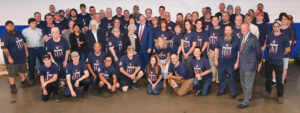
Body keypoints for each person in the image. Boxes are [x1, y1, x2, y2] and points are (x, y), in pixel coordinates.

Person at [263, 20, 290, 104]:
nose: (275, 27)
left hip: (278, 62)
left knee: (279, 80)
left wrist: (280, 55)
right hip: (269, 60)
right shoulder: (270, 36)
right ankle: (268, 90)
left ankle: (280, 96)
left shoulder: (284, 37)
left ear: (280, 27)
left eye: (277, 26)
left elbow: (288, 49)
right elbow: (268, 45)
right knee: (268, 78)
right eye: (274, 26)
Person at [237, 23, 262, 109]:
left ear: (249, 28)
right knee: (243, 82)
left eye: (245, 28)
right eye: (242, 28)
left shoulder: (253, 38)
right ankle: (246, 97)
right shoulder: (241, 37)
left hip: (250, 65)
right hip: (242, 64)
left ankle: (245, 102)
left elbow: (259, 52)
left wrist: (257, 62)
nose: (243, 30)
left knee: (248, 84)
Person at [1, 20, 30, 94]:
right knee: (12, 73)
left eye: (11, 24)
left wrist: (26, 51)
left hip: (21, 57)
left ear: (14, 25)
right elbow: (4, 48)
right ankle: (12, 86)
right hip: (12, 59)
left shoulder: (19, 33)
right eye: (8, 25)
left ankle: (24, 82)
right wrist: (9, 58)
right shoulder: (5, 37)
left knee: (22, 70)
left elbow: (24, 42)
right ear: (6, 27)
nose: (10, 26)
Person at [215, 25, 240, 99]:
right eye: (226, 30)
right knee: (221, 78)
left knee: (232, 79)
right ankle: (221, 91)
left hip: (232, 64)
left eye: (229, 30)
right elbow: (216, 49)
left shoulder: (236, 40)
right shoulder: (220, 39)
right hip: (221, 63)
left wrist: (237, 62)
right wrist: (216, 59)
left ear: (232, 31)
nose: (227, 32)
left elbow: (239, 52)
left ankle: (233, 92)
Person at [22, 18, 46, 85]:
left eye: (35, 23)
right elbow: (23, 42)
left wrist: (43, 48)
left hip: (40, 49)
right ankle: (31, 79)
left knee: (43, 63)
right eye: (32, 23)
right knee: (31, 65)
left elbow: (43, 40)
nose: (34, 24)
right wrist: (25, 51)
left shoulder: (40, 30)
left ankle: (44, 77)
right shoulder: (24, 31)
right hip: (31, 49)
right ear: (29, 24)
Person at [207, 16, 224, 83]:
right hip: (211, 50)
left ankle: (218, 79)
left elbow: (224, 41)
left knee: (218, 65)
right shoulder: (210, 29)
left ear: (218, 21)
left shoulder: (222, 30)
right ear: (211, 21)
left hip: (219, 51)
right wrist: (207, 50)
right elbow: (208, 40)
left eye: (216, 20)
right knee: (212, 65)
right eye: (213, 20)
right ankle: (213, 77)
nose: (214, 22)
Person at [279, 13, 293, 84]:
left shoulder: (290, 30)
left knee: (284, 67)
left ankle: (282, 81)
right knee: (277, 68)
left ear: (287, 20)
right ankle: (275, 80)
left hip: (285, 52)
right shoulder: (277, 28)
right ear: (280, 20)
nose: (283, 20)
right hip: (277, 53)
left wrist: (283, 52)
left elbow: (289, 44)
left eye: (285, 19)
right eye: (282, 19)